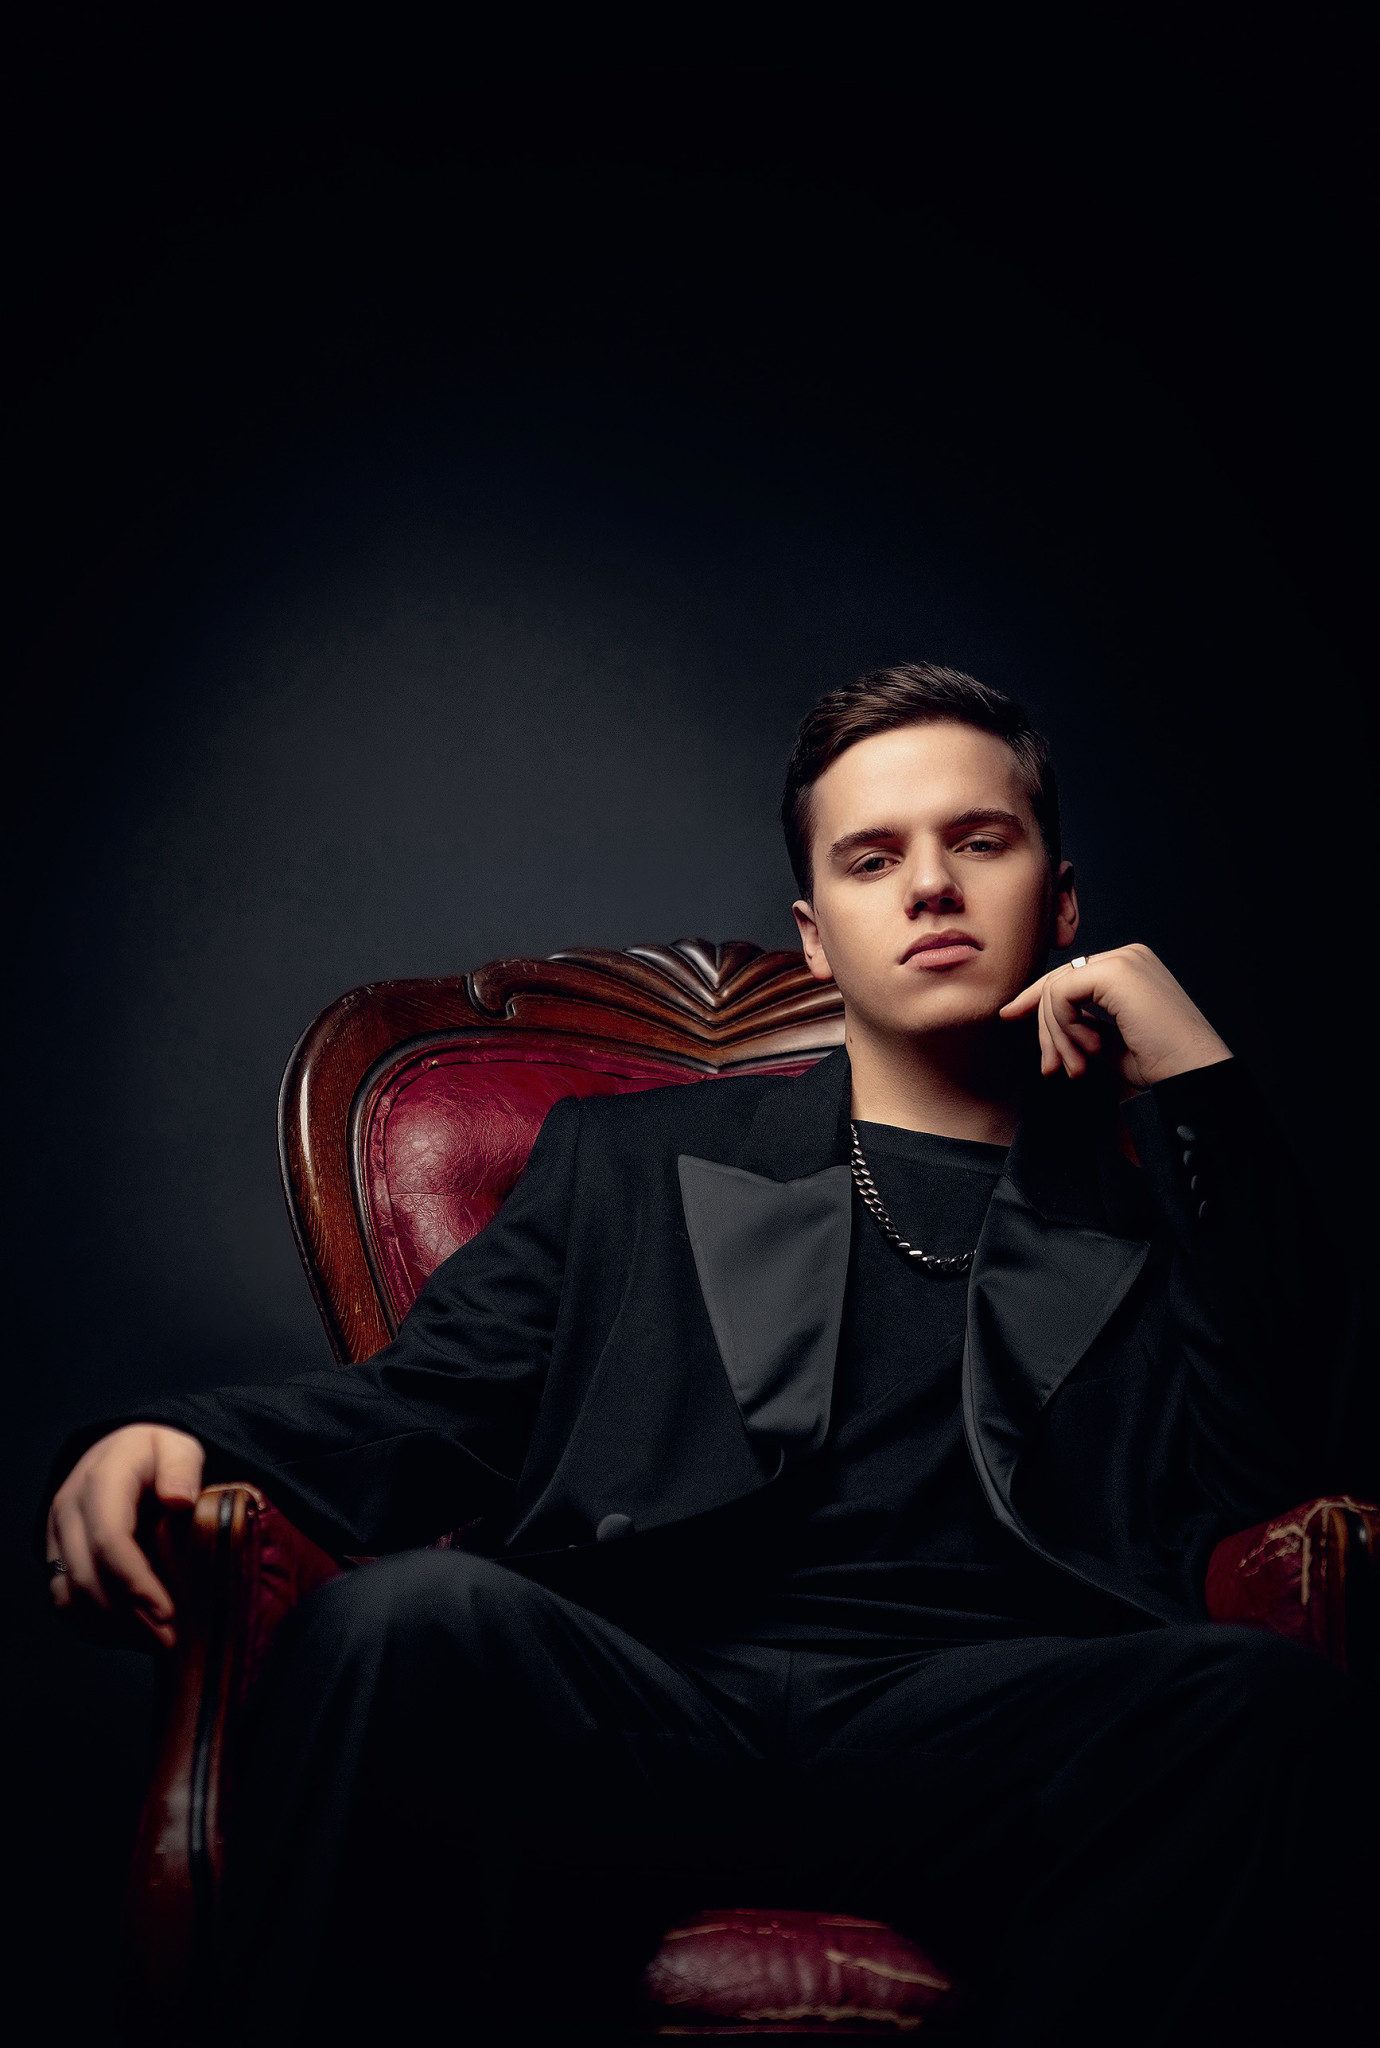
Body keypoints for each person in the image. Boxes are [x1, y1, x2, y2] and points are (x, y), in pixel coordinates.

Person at [46, 664, 1377, 2044]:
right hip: (642, 1702)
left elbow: (1293, 1456)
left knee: (1271, 1708)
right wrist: (179, 1440)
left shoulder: (1154, 1215)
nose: (931, 886)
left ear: (1064, 903)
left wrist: (1200, 1085)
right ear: (817, 936)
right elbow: (425, 1408)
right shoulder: (626, 1163)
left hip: (990, 1736)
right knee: (407, 1621)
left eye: (980, 841)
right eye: (874, 858)